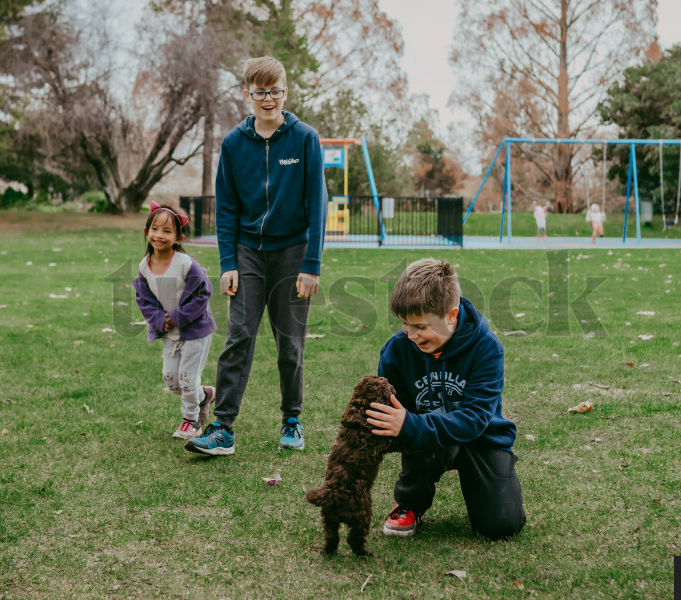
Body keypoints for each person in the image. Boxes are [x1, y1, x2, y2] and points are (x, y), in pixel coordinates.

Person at [186, 56, 326, 456]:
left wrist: (311, 265)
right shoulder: (233, 144)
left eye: (276, 90)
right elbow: (226, 209)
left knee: (290, 343)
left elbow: (316, 203)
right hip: (247, 253)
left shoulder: (304, 138)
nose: (269, 99)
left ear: (286, 91)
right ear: (247, 93)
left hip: (292, 253)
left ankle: (292, 421)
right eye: (261, 91)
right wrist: (228, 264)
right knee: (238, 338)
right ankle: (223, 429)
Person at [365, 258, 526, 540]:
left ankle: (489, 483)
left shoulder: (487, 348)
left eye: (421, 326)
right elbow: (396, 418)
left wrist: (410, 425)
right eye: (405, 324)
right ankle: (409, 503)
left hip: (481, 438)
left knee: (501, 527)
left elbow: (474, 420)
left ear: (451, 316)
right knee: (417, 431)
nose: (412, 335)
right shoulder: (395, 352)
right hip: (428, 444)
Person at [134, 202, 217, 439]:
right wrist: (159, 319)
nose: (160, 235)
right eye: (155, 229)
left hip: (195, 330)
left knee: (187, 379)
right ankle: (204, 395)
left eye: (167, 231)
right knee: (172, 380)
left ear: (179, 237)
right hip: (170, 332)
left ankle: (191, 421)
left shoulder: (185, 264)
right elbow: (144, 299)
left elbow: (204, 291)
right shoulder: (144, 266)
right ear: (146, 231)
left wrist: (179, 315)